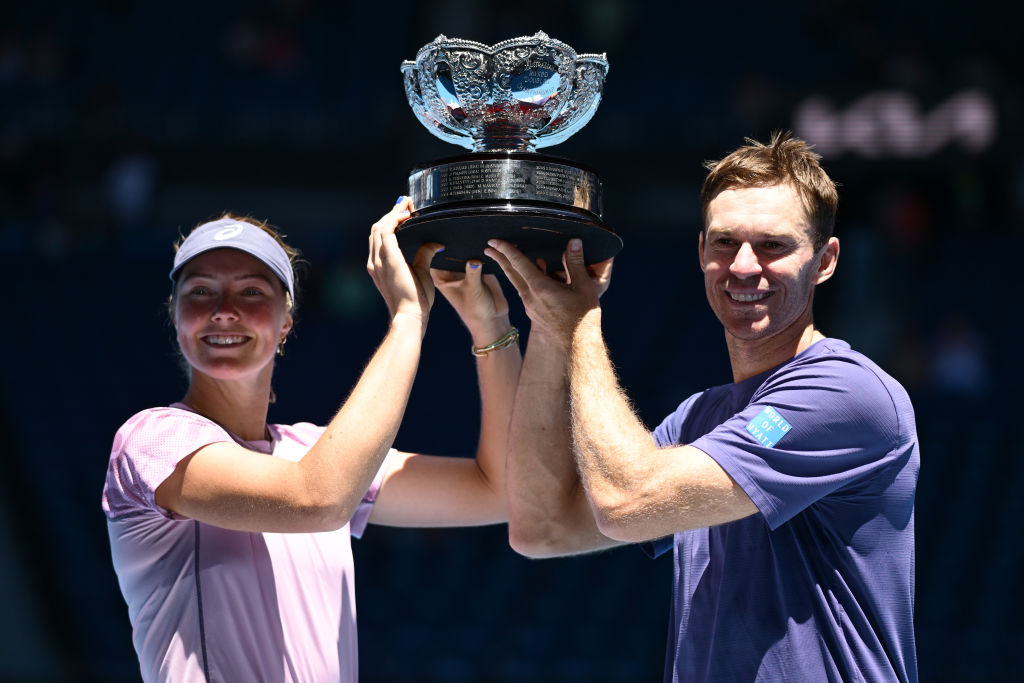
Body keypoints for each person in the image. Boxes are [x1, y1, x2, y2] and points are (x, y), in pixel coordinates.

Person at [486, 131, 919, 681]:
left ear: (826, 261)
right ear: (700, 252)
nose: (742, 266)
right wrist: (549, 325)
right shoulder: (698, 419)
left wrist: (580, 322)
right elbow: (541, 528)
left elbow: (626, 499)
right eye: (724, 243)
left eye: (773, 245)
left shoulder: (848, 393)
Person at [101, 197, 522, 682]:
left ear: (286, 322)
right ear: (175, 320)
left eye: (252, 292)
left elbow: (502, 490)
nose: (223, 311)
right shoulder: (153, 438)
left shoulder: (311, 452)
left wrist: (491, 327)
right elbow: (318, 499)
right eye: (200, 292)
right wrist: (408, 319)